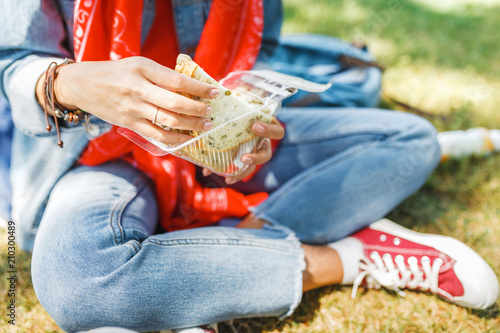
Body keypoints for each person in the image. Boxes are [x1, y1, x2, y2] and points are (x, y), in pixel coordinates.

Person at [1, 1, 498, 332]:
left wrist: (247, 116)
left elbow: (257, 50)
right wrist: (70, 84)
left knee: (408, 140)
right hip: (97, 152)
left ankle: (201, 268)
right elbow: (11, 62)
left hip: (212, 146)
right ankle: (345, 258)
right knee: (77, 279)